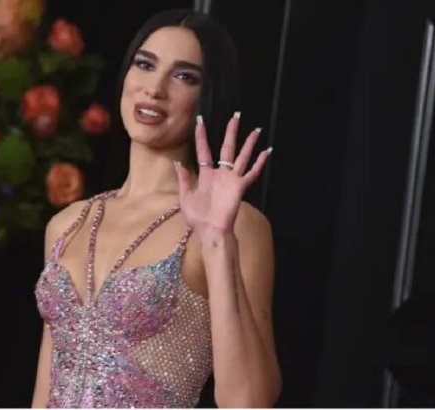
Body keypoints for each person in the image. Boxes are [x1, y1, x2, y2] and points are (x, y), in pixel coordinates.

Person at [31, 8, 281, 408]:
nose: (155, 88)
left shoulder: (236, 225)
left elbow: (249, 402)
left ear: (207, 96)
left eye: (184, 76)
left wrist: (217, 239)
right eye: (145, 65)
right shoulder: (67, 224)